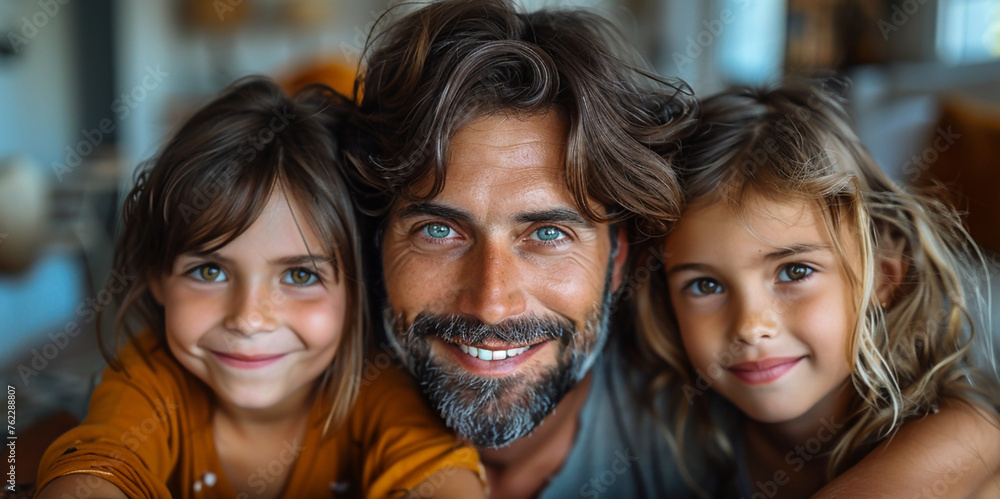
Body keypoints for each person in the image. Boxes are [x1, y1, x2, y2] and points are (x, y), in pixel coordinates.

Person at [34, 79, 486, 499]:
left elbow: (441, 476)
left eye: (300, 276)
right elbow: (98, 465)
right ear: (158, 276)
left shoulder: (375, 385)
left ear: (361, 289)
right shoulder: (149, 379)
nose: (249, 318)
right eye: (210, 271)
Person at [355, 0, 712, 497]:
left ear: (617, 258)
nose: (491, 304)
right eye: (438, 230)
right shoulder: (290, 407)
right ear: (378, 246)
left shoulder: (708, 445)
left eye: (547, 234)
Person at [631, 79, 1000, 497]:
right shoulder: (682, 430)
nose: (751, 327)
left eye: (794, 272)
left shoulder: (963, 431)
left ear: (882, 277)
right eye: (705, 284)